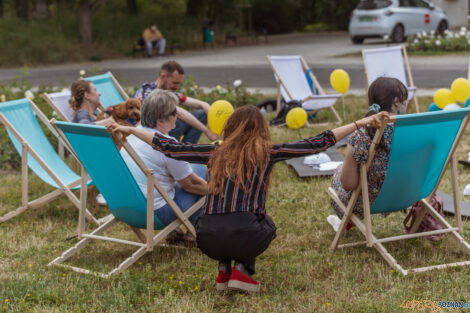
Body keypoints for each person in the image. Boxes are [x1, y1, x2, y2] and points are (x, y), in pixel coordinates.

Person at [108, 104, 388, 292]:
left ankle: (223, 270)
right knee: (263, 222)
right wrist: (360, 122)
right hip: (245, 234)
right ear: (261, 130)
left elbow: (168, 146)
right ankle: (242, 270)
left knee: (227, 220)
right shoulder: (268, 152)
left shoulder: (213, 152)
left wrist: (131, 130)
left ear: (231, 127)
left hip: (205, 238)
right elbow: (319, 141)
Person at [117, 90, 208, 242]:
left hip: (128, 207)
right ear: (160, 120)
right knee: (201, 171)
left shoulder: (133, 135)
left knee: (192, 169)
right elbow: (192, 185)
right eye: (174, 111)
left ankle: (179, 232)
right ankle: (194, 231)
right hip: (158, 213)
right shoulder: (168, 145)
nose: (178, 115)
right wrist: (217, 190)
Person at [327, 77, 408, 232]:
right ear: (397, 102)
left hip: (368, 202)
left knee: (339, 170)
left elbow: (348, 184)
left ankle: (345, 220)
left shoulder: (362, 135)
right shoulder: (413, 130)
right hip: (406, 195)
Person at [134, 60, 218, 143]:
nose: (177, 87)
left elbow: (202, 104)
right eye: (174, 83)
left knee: (201, 114)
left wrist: (217, 124)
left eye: (179, 84)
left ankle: (187, 152)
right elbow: (180, 113)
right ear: (163, 77)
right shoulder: (149, 92)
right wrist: (207, 131)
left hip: (161, 128)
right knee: (176, 121)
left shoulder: (168, 92)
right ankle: (174, 151)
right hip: (146, 134)